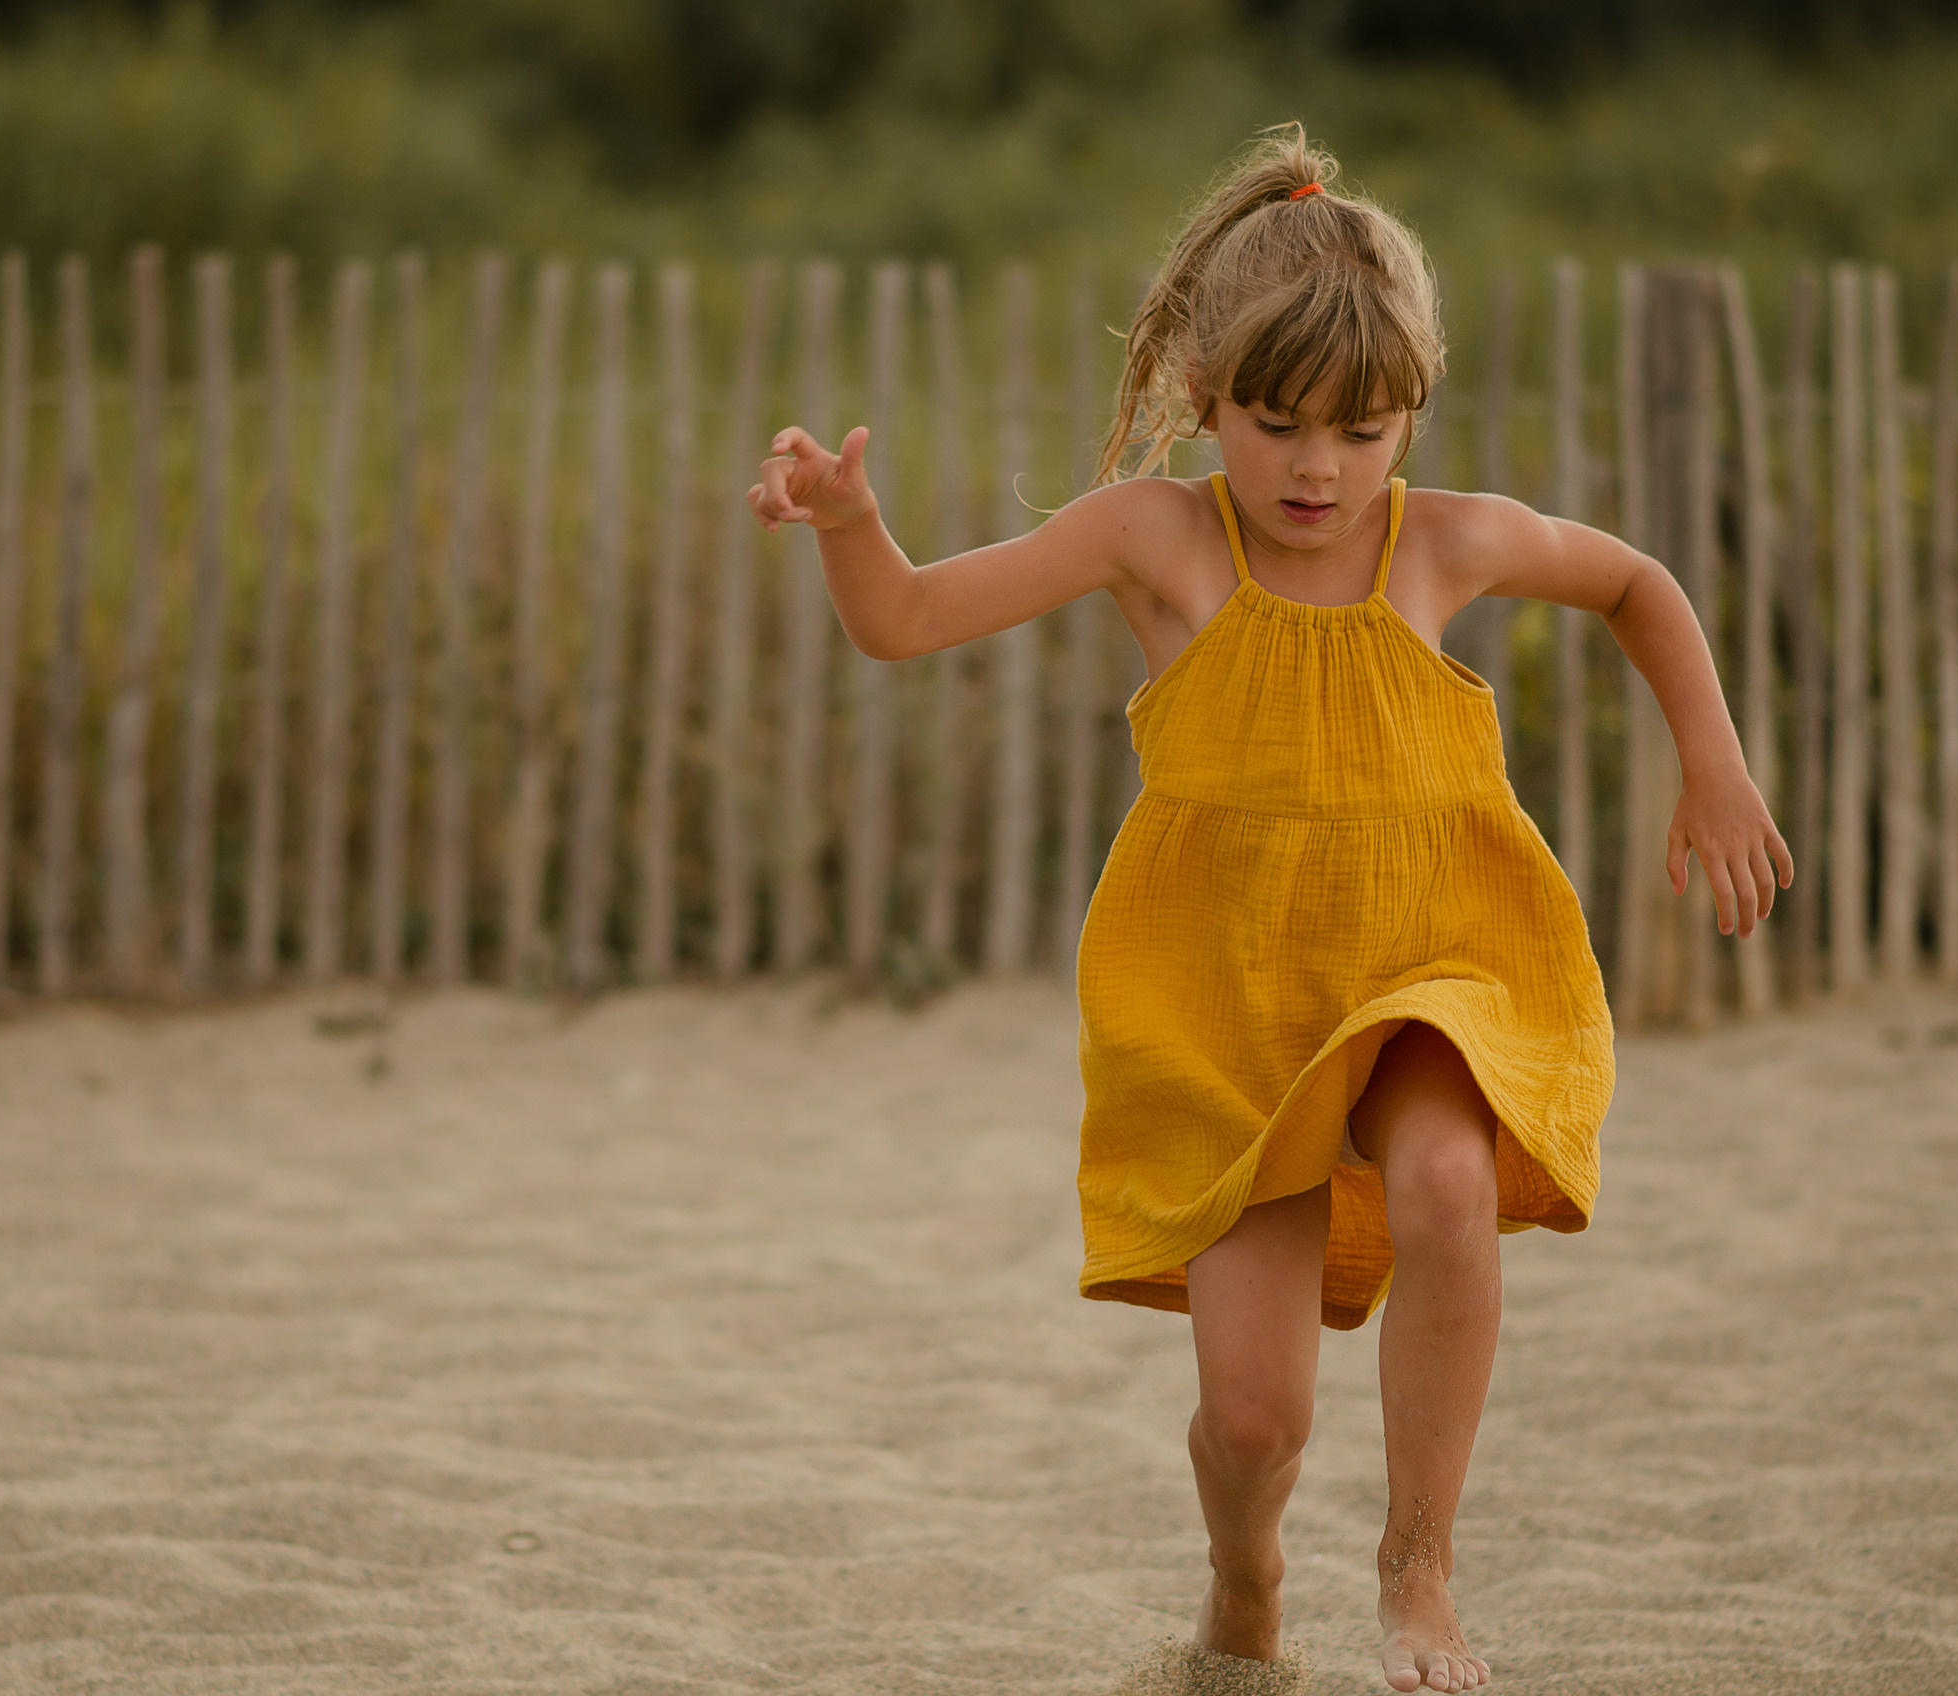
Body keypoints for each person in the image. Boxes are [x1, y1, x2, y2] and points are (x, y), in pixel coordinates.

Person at [747, 124, 1790, 1695]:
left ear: (1409, 414)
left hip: (1434, 957)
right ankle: (1246, 1579)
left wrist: (1710, 764)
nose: (1320, 470)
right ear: (1199, 395)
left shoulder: (1442, 544)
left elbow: (1639, 580)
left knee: (1448, 1182)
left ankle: (1419, 1568)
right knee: (1255, 1419)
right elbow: (904, 621)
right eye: (1277, 423)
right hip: (1231, 1008)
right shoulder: (1156, 543)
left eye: (1364, 431)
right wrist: (847, 529)